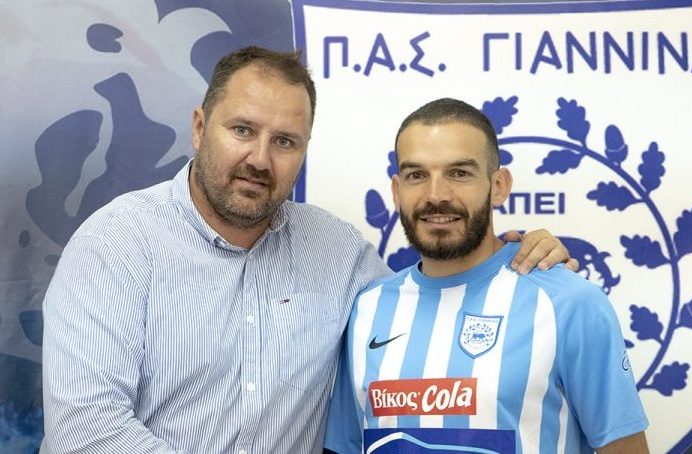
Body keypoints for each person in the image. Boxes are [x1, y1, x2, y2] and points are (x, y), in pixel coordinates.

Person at [40, 48, 573, 454]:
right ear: (200, 128)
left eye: (285, 142)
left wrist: (512, 260)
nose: (259, 159)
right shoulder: (116, 244)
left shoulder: (340, 255)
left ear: (304, 151)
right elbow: (85, 430)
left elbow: (425, 310)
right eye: (242, 130)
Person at [324, 98, 649, 454]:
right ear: (397, 191)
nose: (436, 195)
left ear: (499, 186)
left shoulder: (569, 303)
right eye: (417, 175)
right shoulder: (366, 309)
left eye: (459, 173)